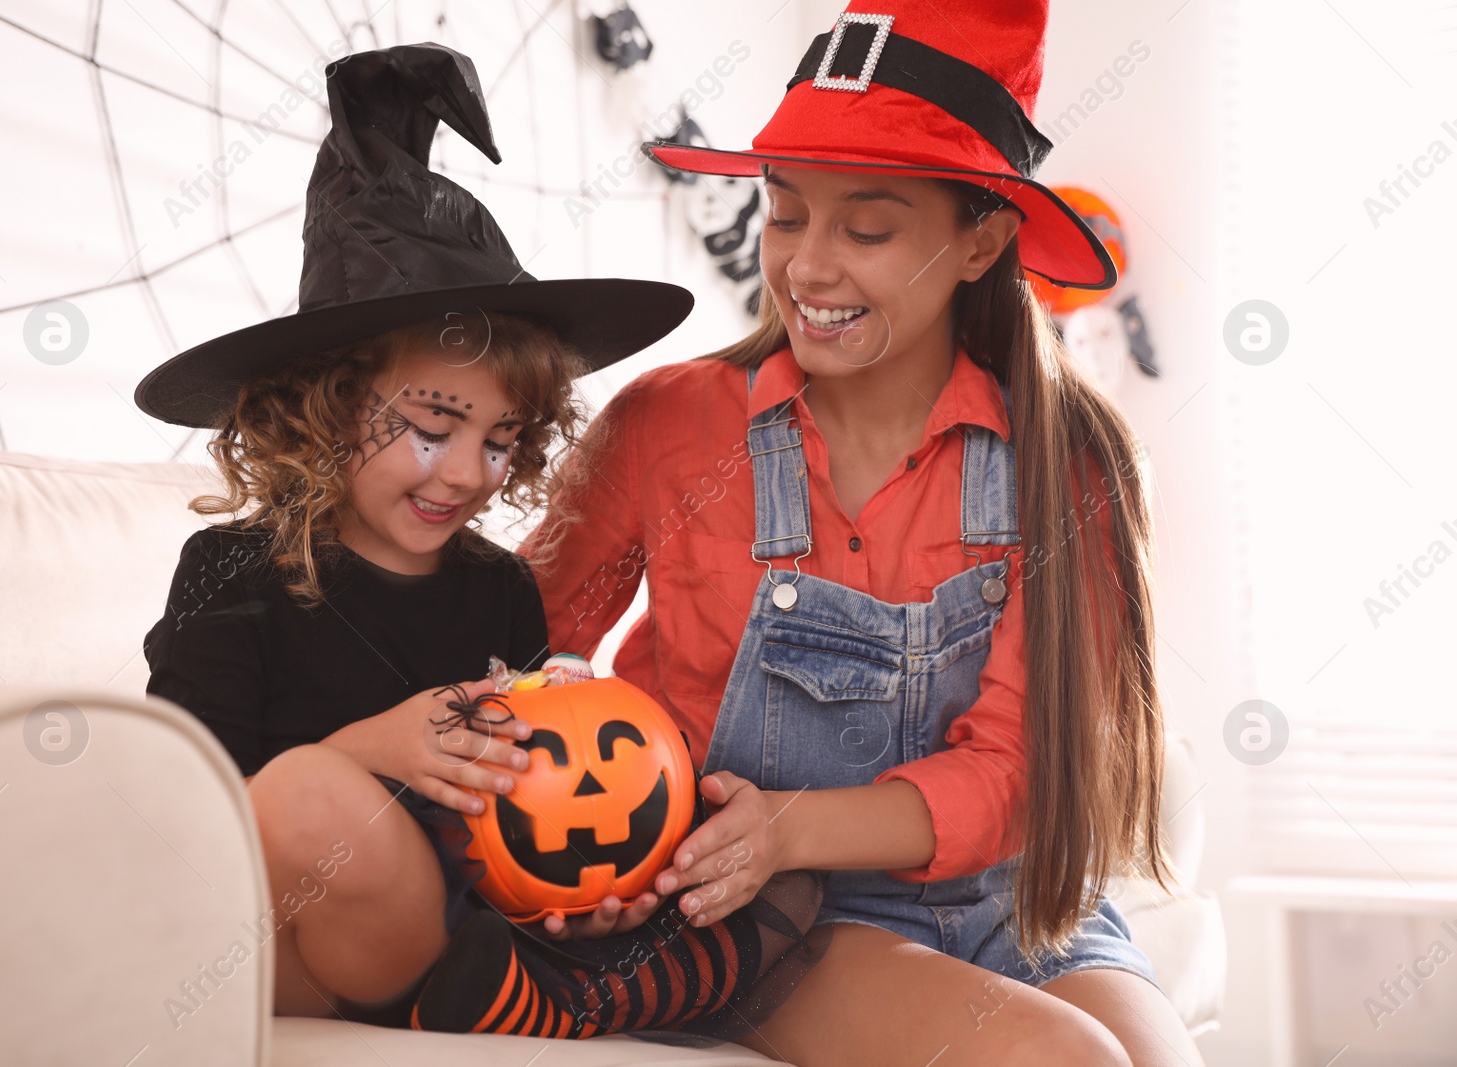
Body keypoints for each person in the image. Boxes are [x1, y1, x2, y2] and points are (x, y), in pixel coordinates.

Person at [518, 2, 1208, 1064]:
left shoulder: (1067, 462)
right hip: (774, 920)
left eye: (867, 228)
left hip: (1011, 903)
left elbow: (1016, 771)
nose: (805, 265)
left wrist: (786, 818)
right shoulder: (667, 426)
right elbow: (515, 650)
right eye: (785, 214)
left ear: (980, 237)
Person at [136, 43, 829, 1045]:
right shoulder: (232, 573)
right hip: (299, 922)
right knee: (310, 794)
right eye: (431, 427)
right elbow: (184, 815)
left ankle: (569, 979)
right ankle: (552, 987)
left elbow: (525, 800)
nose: (466, 472)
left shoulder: (499, 588)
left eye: (500, 441)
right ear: (326, 406)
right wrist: (372, 748)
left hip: (478, 922)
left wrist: (597, 881)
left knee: (781, 863)